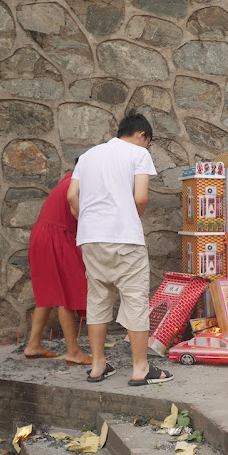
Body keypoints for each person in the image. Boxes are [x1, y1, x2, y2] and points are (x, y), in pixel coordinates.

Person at [67, 110, 173, 386]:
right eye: (147, 142)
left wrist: (89, 220)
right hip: (124, 237)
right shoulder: (138, 154)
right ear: (142, 135)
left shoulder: (88, 156)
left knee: (98, 298)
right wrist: (126, 218)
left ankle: (98, 365)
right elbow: (140, 197)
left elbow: (71, 195)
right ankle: (140, 369)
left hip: (90, 239)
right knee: (135, 298)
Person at [24, 171, 91, 366]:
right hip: (56, 236)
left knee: (49, 293)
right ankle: (73, 352)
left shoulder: (68, 180)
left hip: (42, 234)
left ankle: (33, 345)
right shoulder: (79, 183)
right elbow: (75, 212)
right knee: (66, 293)